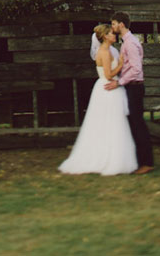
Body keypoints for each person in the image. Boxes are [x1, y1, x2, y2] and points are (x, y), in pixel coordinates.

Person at [58, 23, 138, 176]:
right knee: (113, 122)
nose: (114, 35)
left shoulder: (107, 50)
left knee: (108, 123)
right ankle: (109, 159)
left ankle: (110, 155)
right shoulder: (105, 52)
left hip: (106, 88)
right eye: (111, 33)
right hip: (108, 88)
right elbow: (108, 75)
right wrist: (121, 64)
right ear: (105, 37)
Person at [104, 11, 155, 175]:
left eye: (113, 24)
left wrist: (119, 82)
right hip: (130, 87)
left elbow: (136, 69)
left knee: (138, 124)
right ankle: (140, 161)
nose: (112, 27)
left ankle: (146, 163)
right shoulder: (127, 42)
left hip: (134, 87)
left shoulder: (130, 43)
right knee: (134, 124)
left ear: (121, 24)